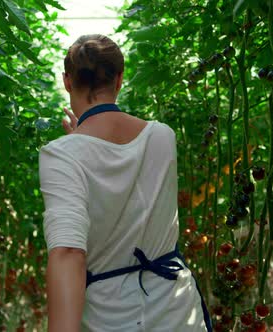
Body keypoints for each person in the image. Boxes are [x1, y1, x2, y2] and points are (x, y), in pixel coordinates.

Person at [39, 34, 212, 332]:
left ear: (67, 82)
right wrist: (79, 143)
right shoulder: (162, 137)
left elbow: (68, 252)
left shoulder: (61, 155)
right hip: (177, 310)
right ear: (119, 80)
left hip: (110, 318)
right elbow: (124, 169)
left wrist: (75, 145)